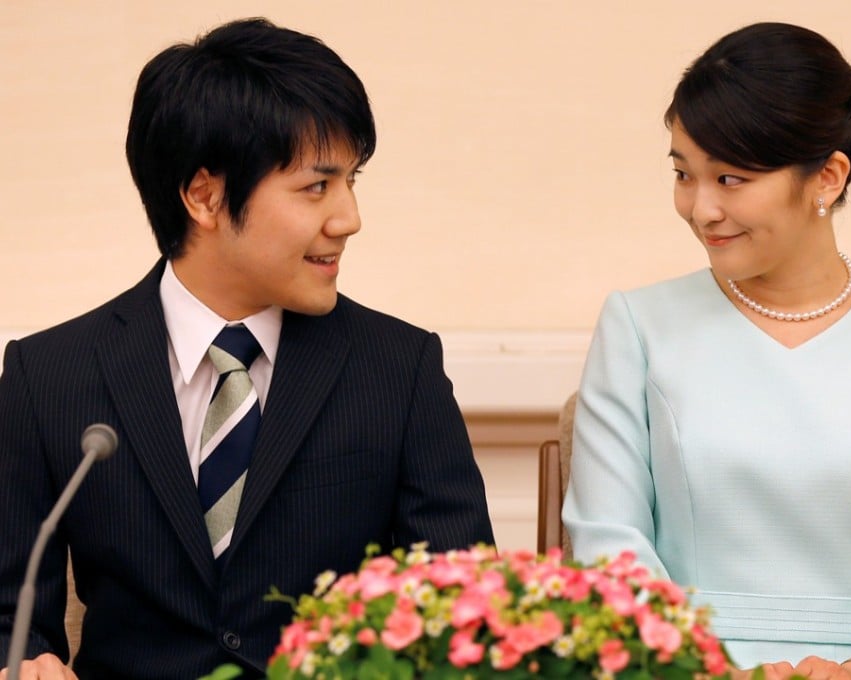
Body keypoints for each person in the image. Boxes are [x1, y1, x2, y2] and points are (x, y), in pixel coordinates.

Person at [0, 18, 493, 680]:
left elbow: (463, 608)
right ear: (204, 196)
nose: (348, 218)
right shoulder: (50, 377)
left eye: (352, 181)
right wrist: (29, 661)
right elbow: (11, 612)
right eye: (316, 186)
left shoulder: (398, 370)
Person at [562, 22, 851, 680]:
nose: (700, 208)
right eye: (684, 174)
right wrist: (696, 668)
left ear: (827, 177)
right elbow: (608, 545)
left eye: (731, 179)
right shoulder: (639, 326)